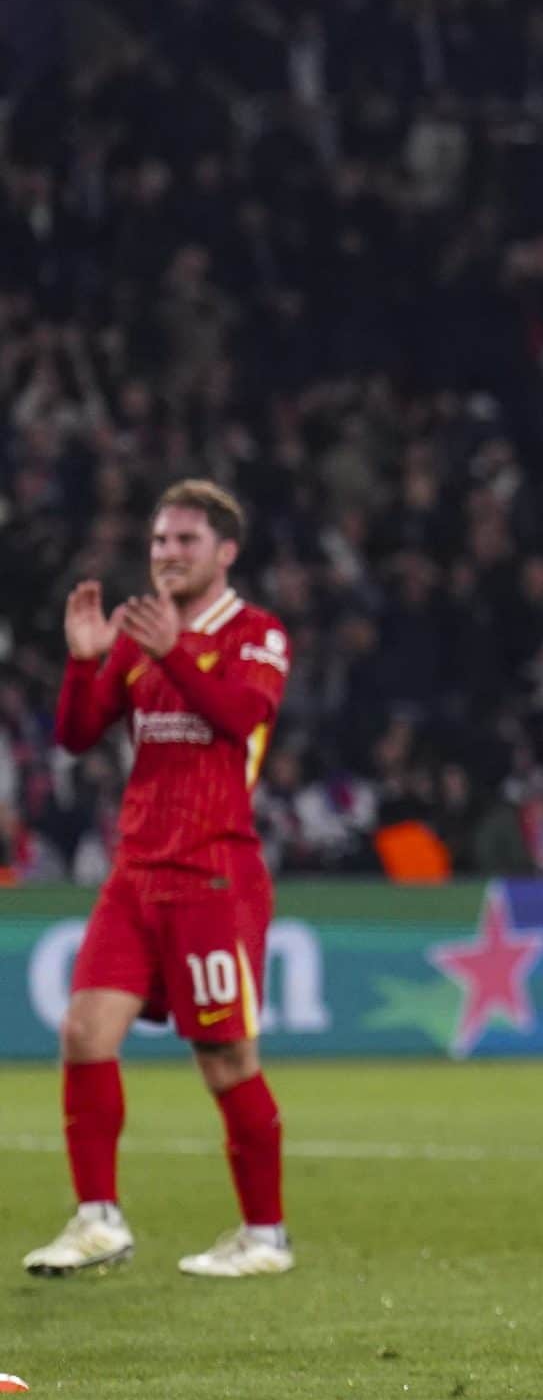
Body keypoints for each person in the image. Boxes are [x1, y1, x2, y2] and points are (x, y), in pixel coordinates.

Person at [24, 481, 297, 1280]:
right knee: (83, 1033)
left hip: (213, 870)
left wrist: (175, 647)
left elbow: (242, 717)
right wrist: (83, 663)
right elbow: (77, 734)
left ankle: (265, 1235)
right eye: (158, 542)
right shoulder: (141, 637)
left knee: (225, 1058)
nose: (167, 554)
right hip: (136, 870)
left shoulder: (257, 634)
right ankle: (98, 1218)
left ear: (225, 551)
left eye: (184, 541)